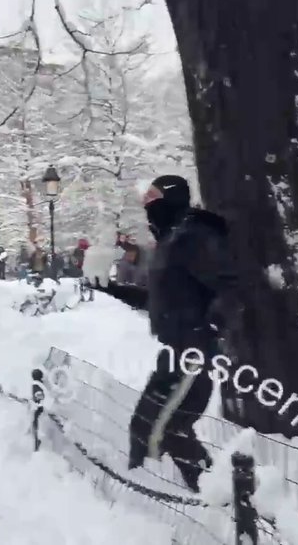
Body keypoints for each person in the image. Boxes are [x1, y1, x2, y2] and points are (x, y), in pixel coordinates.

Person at [90, 175, 240, 492]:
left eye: (153, 197)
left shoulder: (194, 237)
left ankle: (216, 503)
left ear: (172, 197)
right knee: (154, 425)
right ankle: (191, 496)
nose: (147, 204)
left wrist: (209, 326)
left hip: (193, 349)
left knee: (165, 426)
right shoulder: (171, 241)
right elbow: (161, 300)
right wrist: (114, 290)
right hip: (175, 348)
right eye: (144, 199)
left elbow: (230, 286)